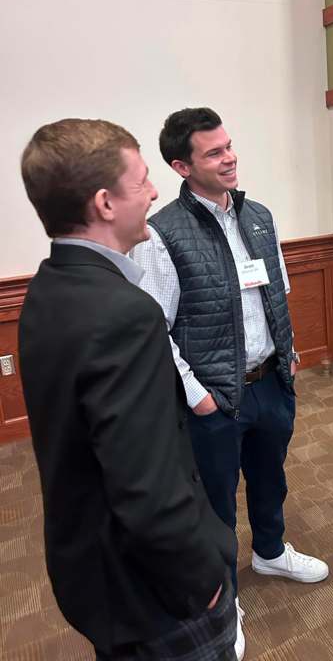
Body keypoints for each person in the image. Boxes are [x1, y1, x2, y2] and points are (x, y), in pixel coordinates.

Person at [19, 119, 237, 661]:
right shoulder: (124, 314)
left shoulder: (50, 286)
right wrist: (203, 580)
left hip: (91, 568)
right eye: (141, 181)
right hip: (149, 591)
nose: (155, 191)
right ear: (105, 203)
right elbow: (146, 485)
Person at [131, 107, 329, 660]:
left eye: (230, 146)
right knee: (215, 503)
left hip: (270, 383)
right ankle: (224, 601)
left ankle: (270, 551)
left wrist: (289, 356)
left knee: (270, 477)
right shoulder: (162, 234)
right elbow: (155, 329)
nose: (230, 157)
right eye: (214, 152)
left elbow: (278, 292)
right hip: (215, 397)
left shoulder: (258, 216)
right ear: (181, 166)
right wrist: (196, 396)